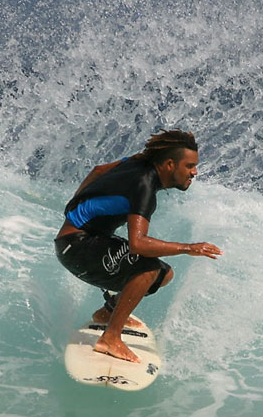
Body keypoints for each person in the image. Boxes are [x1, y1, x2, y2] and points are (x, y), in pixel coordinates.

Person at [54, 129, 223, 363]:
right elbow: (138, 244)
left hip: (81, 240)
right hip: (76, 246)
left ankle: (107, 313)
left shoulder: (139, 161)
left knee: (163, 274)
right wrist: (189, 248)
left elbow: (98, 170)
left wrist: (75, 205)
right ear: (170, 164)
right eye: (189, 166)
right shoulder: (144, 187)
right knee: (148, 269)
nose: (194, 172)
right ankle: (110, 338)